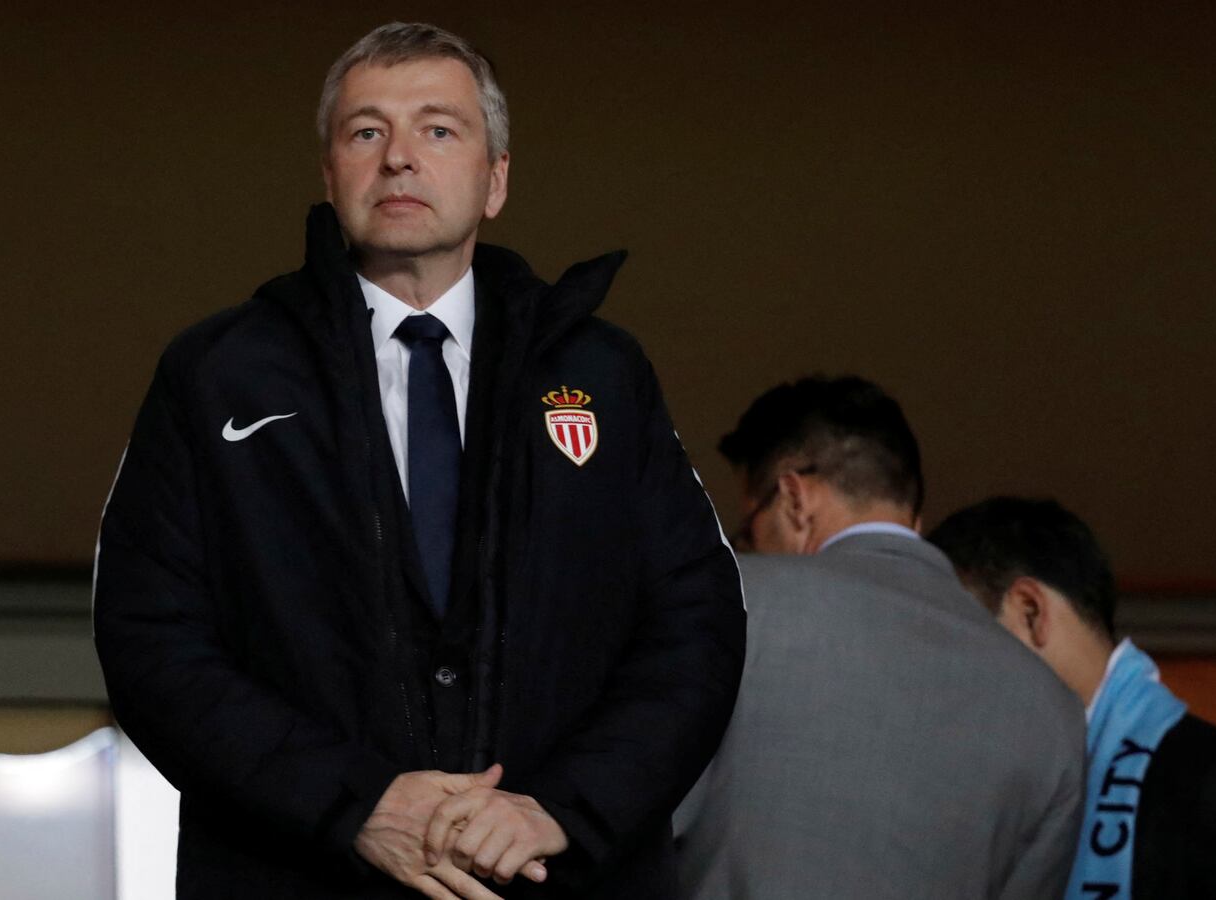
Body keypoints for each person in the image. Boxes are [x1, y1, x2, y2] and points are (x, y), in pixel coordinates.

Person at [93, 22, 745, 900]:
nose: (400, 158)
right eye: (367, 132)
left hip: (561, 874)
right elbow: (150, 639)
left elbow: (695, 626)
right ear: (330, 176)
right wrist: (355, 802)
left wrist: (558, 808)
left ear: (496, 179)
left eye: (439, 129)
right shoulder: (217, 377)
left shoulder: (601, 375)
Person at [673, 375, 1086, 899]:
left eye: (750, 531)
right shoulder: (1052, 708)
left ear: (795, 498)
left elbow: (627, 825)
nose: (750, 550)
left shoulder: (732, 605)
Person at [929, 496, 1216, 900]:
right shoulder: (981, 798)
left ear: (1030, 612)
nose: (944, 681)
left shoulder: (1208, 782)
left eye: (956, 643)